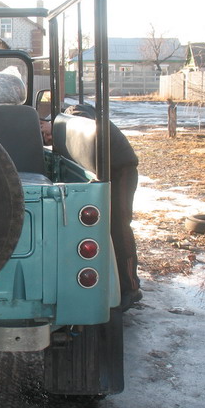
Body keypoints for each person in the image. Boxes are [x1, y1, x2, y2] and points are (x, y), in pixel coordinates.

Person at [64, 103, 142, 310]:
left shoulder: (74, 113)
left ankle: (131, 287)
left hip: (120, 170)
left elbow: (86, 121)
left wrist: (57, 126)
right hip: (108, 170)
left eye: (46, 133)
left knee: (119, 227)